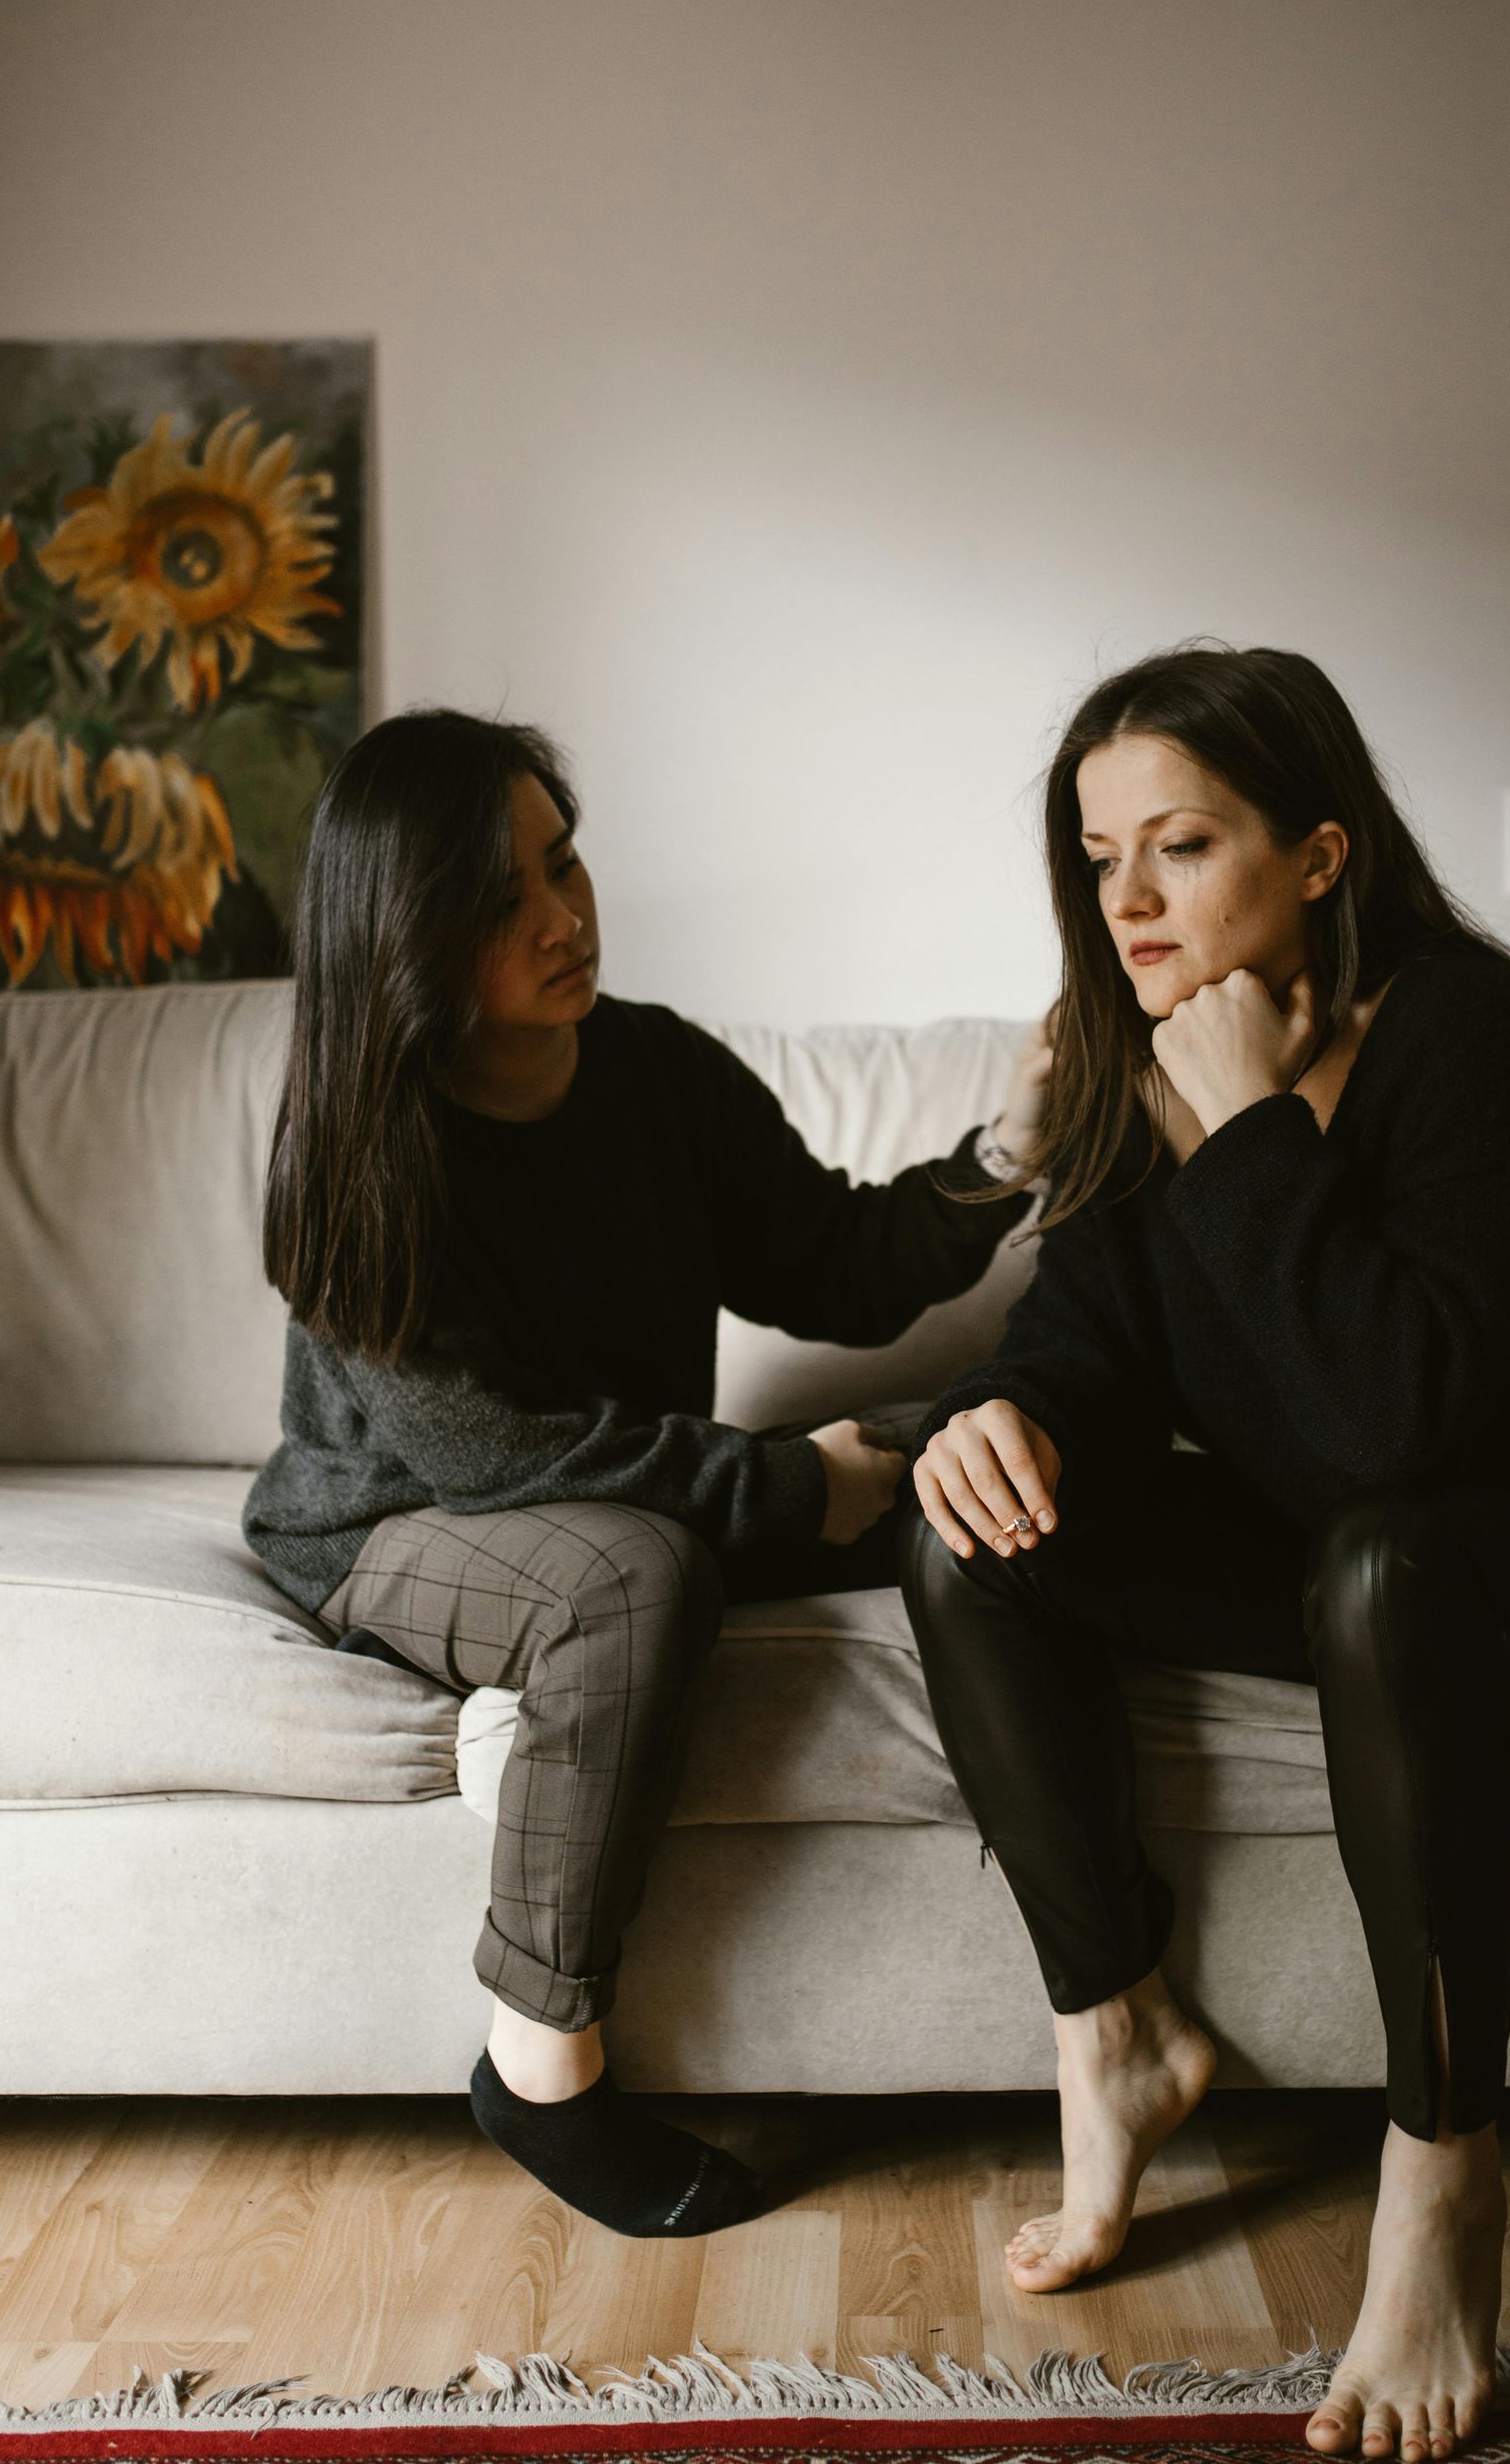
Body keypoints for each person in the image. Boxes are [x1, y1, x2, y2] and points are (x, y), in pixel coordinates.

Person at [902, 643, 1510, 2464]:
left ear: (1318, 855)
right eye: (1100, 856)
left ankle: (1442, 2177)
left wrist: (1253, 1131)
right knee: (969, 1523)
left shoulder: (1461, 1034)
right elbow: (1083, 1343)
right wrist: (999, 1409)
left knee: (1382, 1549)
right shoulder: (1148, 1058)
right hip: (1352, 1556)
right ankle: (1116, 2032)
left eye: (1183, 844)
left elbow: (1399, 1424)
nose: (1128, 900)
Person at [244, 708, 1045, 2242]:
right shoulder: (357, 1143)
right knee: (635, 1569)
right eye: (504, 899)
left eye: (565, 862)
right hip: (399, 1523)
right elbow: (491, 1455)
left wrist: (1003, 1153)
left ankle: (1095, 1943)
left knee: (970, 1443)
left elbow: (834, 1260)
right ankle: (539, 2073)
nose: (565, 917)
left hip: (620, 1493)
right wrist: (785, 1489)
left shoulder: (655, 1070)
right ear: (408, 933)